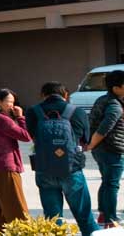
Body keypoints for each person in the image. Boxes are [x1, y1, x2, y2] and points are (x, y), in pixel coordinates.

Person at [25, 82, 98, 235]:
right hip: (72, 169)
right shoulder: (77, 112)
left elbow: (32, 136)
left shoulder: (33, 111)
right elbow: (85, 139)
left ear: (43, 95)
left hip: (44, 169)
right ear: (65, 95)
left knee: (53, 220)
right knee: (84, 217)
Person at [0, 88, 31, 231]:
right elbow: (26, 136)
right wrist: (21, 117)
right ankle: (23, 234)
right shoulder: (2, 120)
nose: (12, 105)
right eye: (9, 102)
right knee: (17, 210)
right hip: (5, 168)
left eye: (13, 102)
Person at [88, 70, 124, 229]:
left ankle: (103, 215)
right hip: (112, 149)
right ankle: (110, 219)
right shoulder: (114, 106)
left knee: (107, 181)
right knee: (112, 184)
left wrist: (92, 145)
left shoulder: (103, 99)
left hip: (101, 150)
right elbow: (104, 129)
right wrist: (91, 144)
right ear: (116, 88)